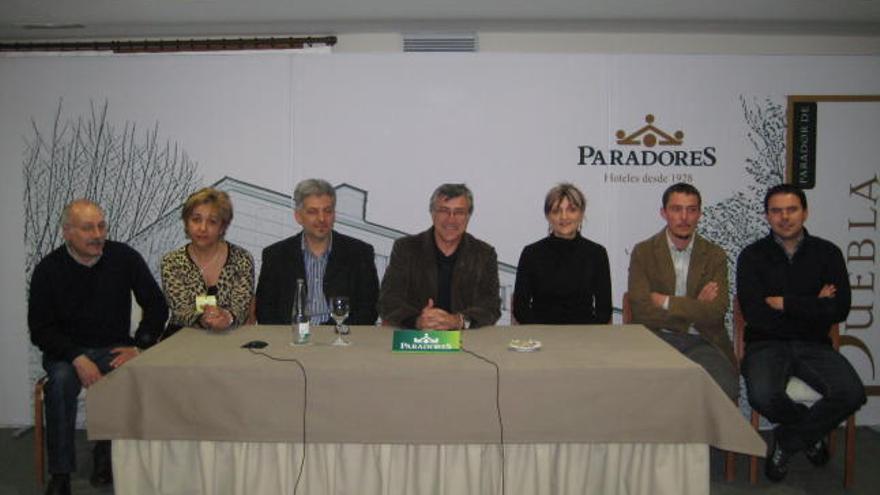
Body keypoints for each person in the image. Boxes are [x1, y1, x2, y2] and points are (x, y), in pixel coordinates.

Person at [28, 199, 168, 495]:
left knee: (126, 375)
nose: (98, 234)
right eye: (88, 228)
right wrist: (77, 357)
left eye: (101, 226)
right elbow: (40, 329)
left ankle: (106, 455)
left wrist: (139, 347)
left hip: (114, 347)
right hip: (67, 353)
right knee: (61, 384)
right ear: (67, 232)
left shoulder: (123, 257)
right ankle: (61, 473)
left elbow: (156, 305)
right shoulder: (48, 270)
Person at [737, 184, 866, 482]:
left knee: (852, 393)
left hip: (814, 345)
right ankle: (810, 433)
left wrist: (786, 303)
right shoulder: (752, 256)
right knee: (762, 395)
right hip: (766, 345)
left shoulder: (828, 253)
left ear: (804, 212)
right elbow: (756, 315)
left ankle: (787, 440)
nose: (784, 217)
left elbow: (840, 309)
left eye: (791, 210)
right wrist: (814, 304)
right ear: (766, 216)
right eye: (776, 211)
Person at [627, 182, 738, 401]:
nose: (684, 217)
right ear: (664, 213)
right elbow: (642, 310)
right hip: (655, 339)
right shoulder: (644, 252)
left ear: (700, 214)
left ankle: (706, 437)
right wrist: (695, 306)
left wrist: (667, 301)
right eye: (677, 209)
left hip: (703, 339)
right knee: (649, 391)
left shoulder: (715, 255)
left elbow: (716, 310)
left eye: (691, 210)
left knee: (727, 387)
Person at [256, 178, 379, 325]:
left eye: (327, 211)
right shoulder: (275, 255)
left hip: (341, 339)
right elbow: (265, 311)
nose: (322, 219)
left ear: (334, 214)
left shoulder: (360, 254)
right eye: (313, 212)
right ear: (298, 216)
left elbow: (369, 310)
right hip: (290, 340)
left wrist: (331, 334)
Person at [379, 183, 501, 329]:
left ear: (468, 216)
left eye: (459, 212)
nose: (451, 219)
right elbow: (388, 301)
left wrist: (458, 320)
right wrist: (417, 320)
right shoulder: (406, 249)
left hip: (467, 341)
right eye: (444, 211)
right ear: (432, 213)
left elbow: (491, 306)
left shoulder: (484, 254)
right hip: (416, 339)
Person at [161, 187, 254, 337]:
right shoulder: (172, 262)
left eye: (212, 222)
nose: (202, 228)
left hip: (229, 336)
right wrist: (204, 319)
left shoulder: (241, 259)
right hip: (183, 337)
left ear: (222, 226)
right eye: (196, 220)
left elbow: (241, 308)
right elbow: (181, 311)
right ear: (186, 223)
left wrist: (227, 318)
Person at [513, 183, 611, 324]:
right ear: (548, 216)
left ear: (581, 213)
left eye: (571, 210)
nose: (564, 217)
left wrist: (587, 338)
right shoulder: (531, 254)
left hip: (585, 338)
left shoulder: (597, 254)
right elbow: (520, 308)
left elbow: (604, 310)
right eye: (556, 211)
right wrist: (543, 334)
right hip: (540, 337)